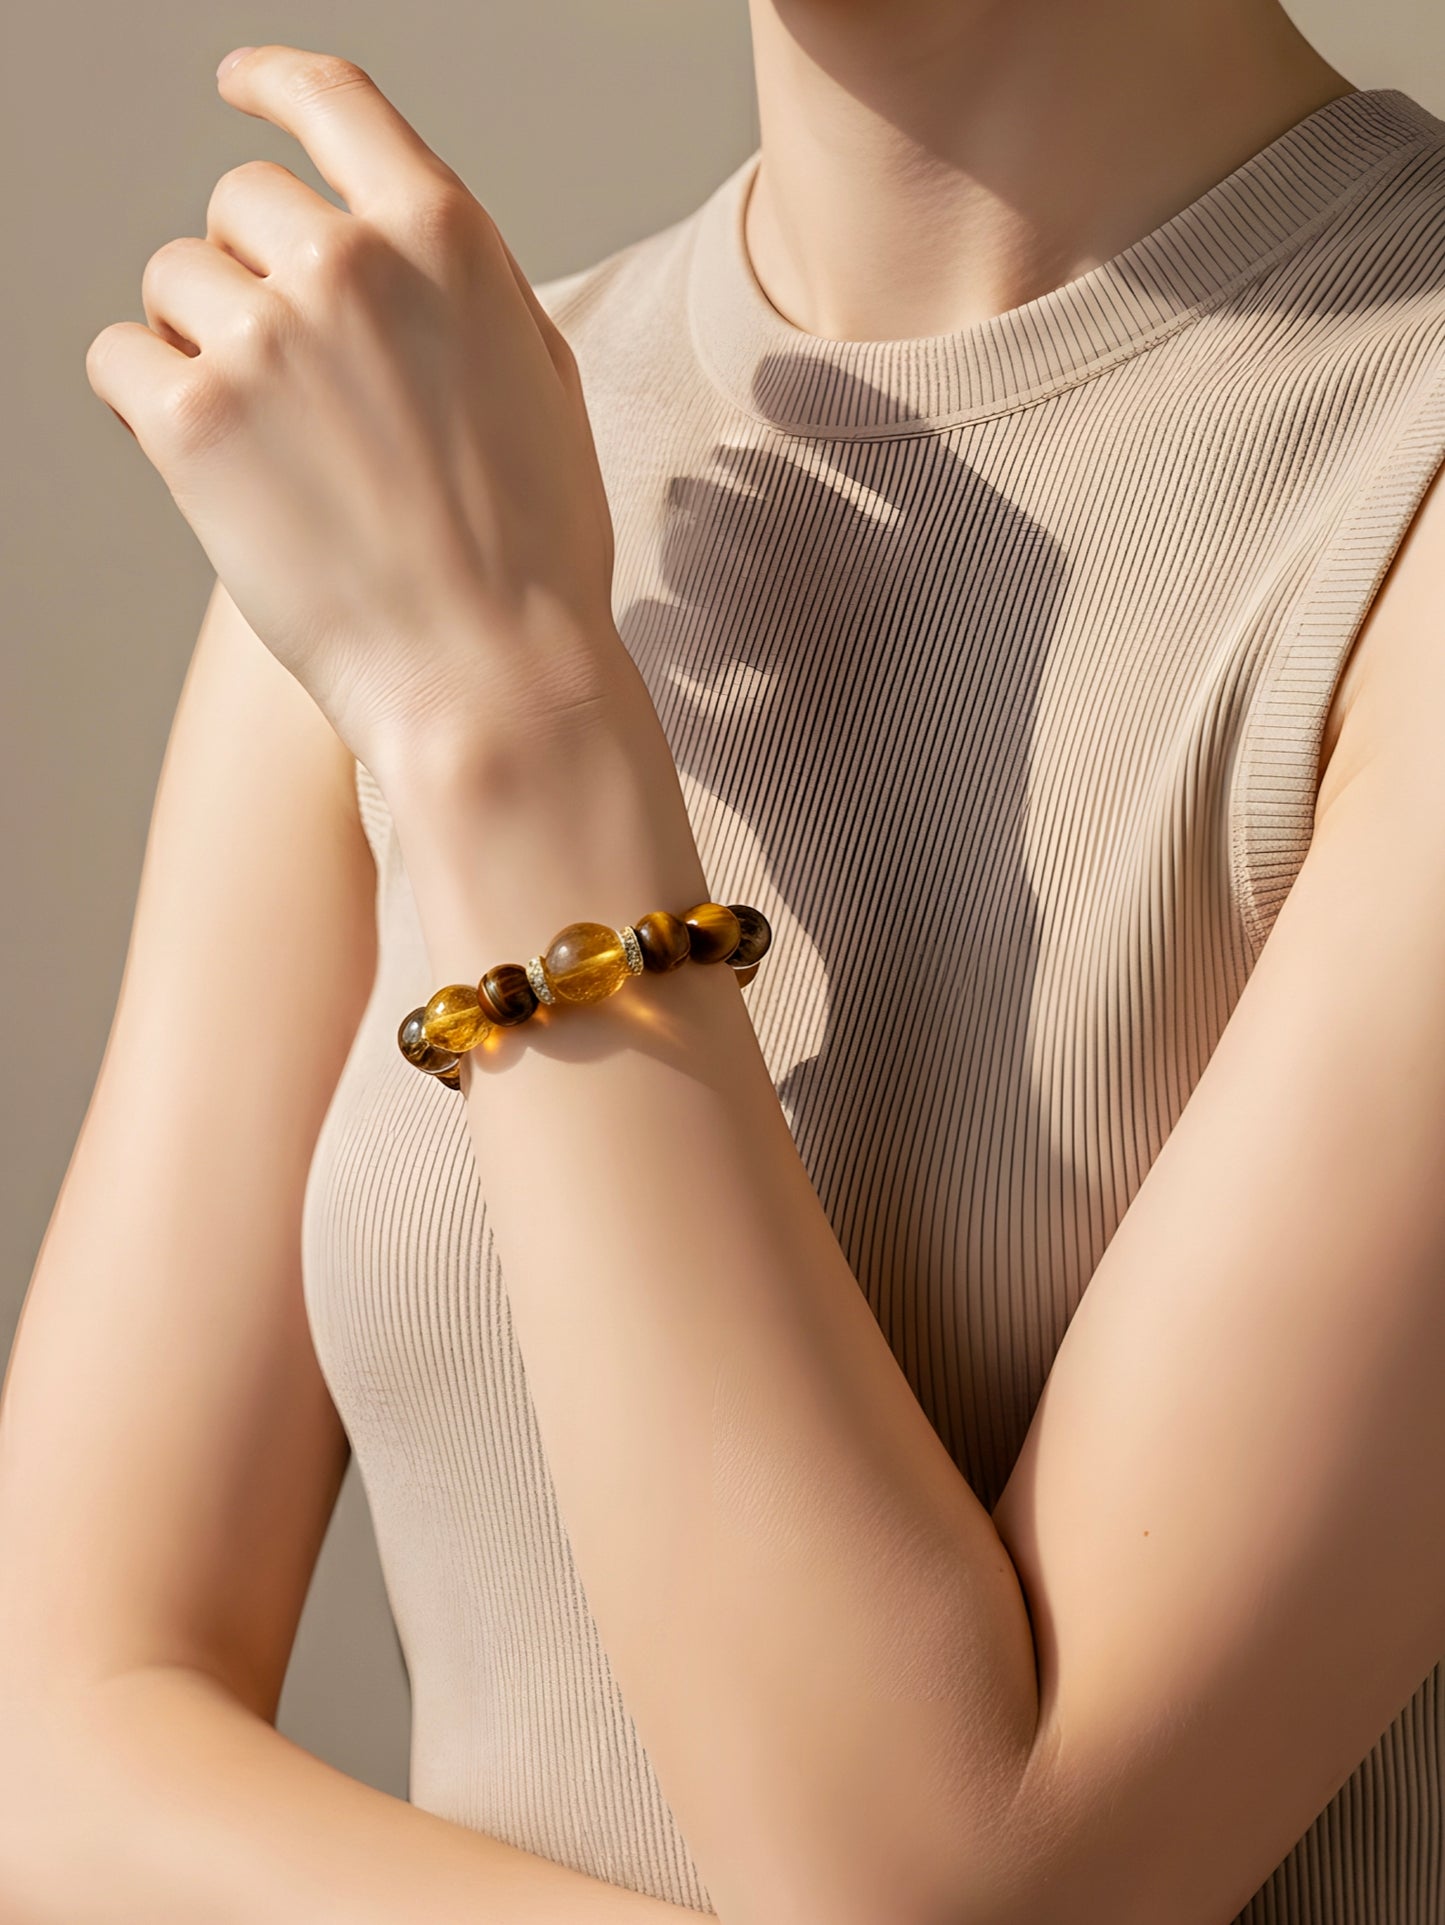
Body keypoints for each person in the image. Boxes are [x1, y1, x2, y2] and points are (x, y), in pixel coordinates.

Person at [2, 1, 1443, 1919]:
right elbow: (56, 1739)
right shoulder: (427, 452)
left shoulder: (442, 547)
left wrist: (500, 710)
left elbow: (979, 1880)